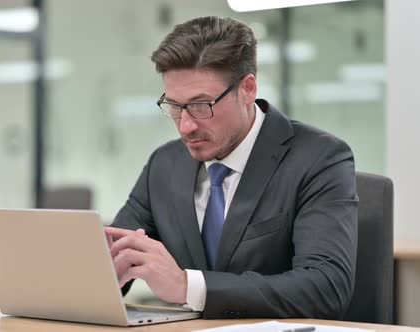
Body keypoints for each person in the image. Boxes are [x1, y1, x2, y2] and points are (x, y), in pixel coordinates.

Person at [105, 16, 358, 320]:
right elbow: (112, 263)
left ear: (247, 89)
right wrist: (89, 277)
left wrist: (188, 286)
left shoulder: (319, 158)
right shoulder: (165, 164)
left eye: (201, 106)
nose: (185, 126)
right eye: (174, 106)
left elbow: (326, 288)